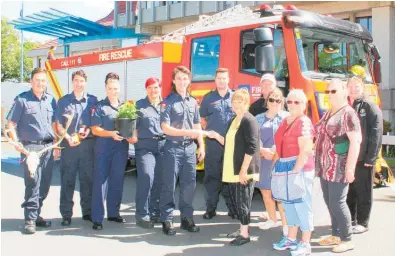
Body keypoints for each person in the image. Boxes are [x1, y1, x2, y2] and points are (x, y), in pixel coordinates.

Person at [6, 68, 59, 234]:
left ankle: (36, 214)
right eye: (37, 80)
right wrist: (16, 142)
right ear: (31, 81)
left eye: (43, 80)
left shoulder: (51, 100)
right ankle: (29, 219)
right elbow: (10, 124)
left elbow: (54, 125)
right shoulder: (22, 100)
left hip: (48, 148)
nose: (40, 83)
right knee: (33, 183)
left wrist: (56, 144)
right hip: (30, 150)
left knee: (45, 184)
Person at [207, 89, 260, 246]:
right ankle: (242, 229)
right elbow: (229, 143)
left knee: (242, 202)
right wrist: (216, 136)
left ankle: (245, 234)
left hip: (243, 170)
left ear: (246, 103)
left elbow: (251, 147)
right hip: (232, 168)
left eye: (239, 105)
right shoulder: (234, 120)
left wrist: (244, 170)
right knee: (237, 202)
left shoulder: (249, 120)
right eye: (234, 105)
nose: (235, 108)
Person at [315, 79, 362, 253]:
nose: (329, 95)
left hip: (339, 167)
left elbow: (356, 142)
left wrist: (350, 168)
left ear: (344, 91)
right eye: (327, 91)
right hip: (325, 166)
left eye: (333, 91)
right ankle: (335, 234)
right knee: (329, 202)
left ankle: (347, 239)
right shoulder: (328, 112)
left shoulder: (348, 113)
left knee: (338, 203)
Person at [160, 66, 205, 236]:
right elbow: (165, 128)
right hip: (173, 148)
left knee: (189, 185)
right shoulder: (167, 102)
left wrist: (201, 145)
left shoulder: (193, 102)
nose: (182, 82)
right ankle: (167, 219)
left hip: (190, 149)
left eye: (185, 79)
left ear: (189, 81)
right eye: (178, 78)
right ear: (173, 81)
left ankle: (186, 218)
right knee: (169, 185)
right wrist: (188, 133)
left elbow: (197, 125)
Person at [271, 89, 315, 256]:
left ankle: (305, 242)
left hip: (299, 169)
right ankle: (290, 238)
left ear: (304, 105)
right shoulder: (285, 120)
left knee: (303, 205)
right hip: (284, 167)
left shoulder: (304, 122)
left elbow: (305, 150)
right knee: (289, 206)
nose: (292, 105)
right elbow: (279, 147)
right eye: (289, 101)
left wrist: (296, 171)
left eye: (297, 102)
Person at [55, 70, 98, 226]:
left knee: (87, 180)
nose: (79, 84)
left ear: (85, 83)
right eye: (76, 80)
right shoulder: (64, 101)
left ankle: (87, 212)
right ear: (72, 82)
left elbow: (96, 123)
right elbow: (58, 124)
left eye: (82, 81)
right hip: (69, 148)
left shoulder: (93, 101)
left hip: (88, 147)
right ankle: (66, 214)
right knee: (68, 181)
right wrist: (66, 137)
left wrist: (89, 130)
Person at [90, 72, 130, 230]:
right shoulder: (99, 107)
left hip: (120, 149)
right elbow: (95, 129)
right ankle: (97, 218)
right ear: (106, 88)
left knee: (117, 181)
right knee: (100, 183)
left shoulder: (126, 107)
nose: (114, 91)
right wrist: (111, 134)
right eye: (110, 88)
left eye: (116, 88)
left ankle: (114, 213)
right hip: (104, 149)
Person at [346, 73, 383, 234]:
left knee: (364, 191)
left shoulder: (370, 106)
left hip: (364, 158)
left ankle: (363, 222)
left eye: (357, 86)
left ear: (363, 88)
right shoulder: (347, 107)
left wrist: (371, 157)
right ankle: (350, 220)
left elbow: (377, 132)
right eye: (350, 86)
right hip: (349, 158)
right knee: (350, 191)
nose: (353, 89)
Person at [199, 68, 236, 220]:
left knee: (230, 179)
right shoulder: (208, 98)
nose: (221, 81)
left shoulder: (235, 97)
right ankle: (210, 209)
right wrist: (209, 132)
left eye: (224, 78)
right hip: (213, 145)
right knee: (212, 178)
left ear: (228, 79)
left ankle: (233, 209)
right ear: (215, 80)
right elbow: (202, 120)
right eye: (219, 78)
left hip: (232, 146)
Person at [129, 77, 164, 229]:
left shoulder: (165, 105)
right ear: (146, 89)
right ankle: (142, 215)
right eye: (150, 87)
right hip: (145, 146)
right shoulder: (139, 105)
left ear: (160, 88)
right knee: (146, 177)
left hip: (163, 146)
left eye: (156, 87)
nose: (153, 90)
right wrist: (132, 135)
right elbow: (132, 127)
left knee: (158, 180)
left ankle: (154, 211)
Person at [255, 88, 289, 236]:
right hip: (263, 159)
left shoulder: (288, 118)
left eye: (278, 100)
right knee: (265, 192)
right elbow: (253, 140)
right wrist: (262, 151)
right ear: (266, 102)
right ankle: (272, 219)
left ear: (282, 102)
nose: (274, 102)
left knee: (280, 194)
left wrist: (276, 152)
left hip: (280, 160)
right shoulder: (258, 118)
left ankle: (286, 224)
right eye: (272, 99)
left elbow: (290, 139)